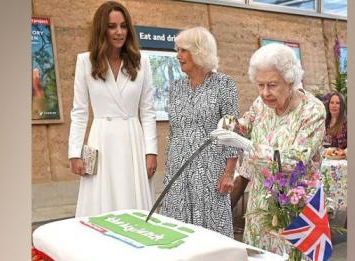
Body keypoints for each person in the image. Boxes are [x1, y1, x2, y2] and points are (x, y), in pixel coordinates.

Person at [226, 43, 326, 253]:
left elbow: (295, 160)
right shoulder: (261, 103)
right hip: (260, 205)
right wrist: (229, 125)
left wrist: (249, 148)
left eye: (272, 85)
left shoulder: (312, 110)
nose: (264, 93)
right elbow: (245, 125)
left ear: (290, 81)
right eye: (260, 85)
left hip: (295, 205)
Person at [68, 1, 158, 217]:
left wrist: (151, 151)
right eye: (112, 26)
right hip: (101, 139)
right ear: (102, 29)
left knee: (133, 201)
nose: (119, 32)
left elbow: (148, 110)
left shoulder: (141, 61)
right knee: (100, 202)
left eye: (124, 26)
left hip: (132, 139)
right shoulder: (85, 62)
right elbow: (79, 111)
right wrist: (74, 152)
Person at [160, 27, 240, 238]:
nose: (178, 56)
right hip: (178, 169)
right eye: (178, 50)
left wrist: (229, 173)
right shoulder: (176, 87)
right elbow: (174, 130)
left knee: (210, 232)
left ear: (199, 51)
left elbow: (231, 130)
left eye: (184, 50)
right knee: (177, 230)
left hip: (210, 171)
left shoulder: (225, 85)